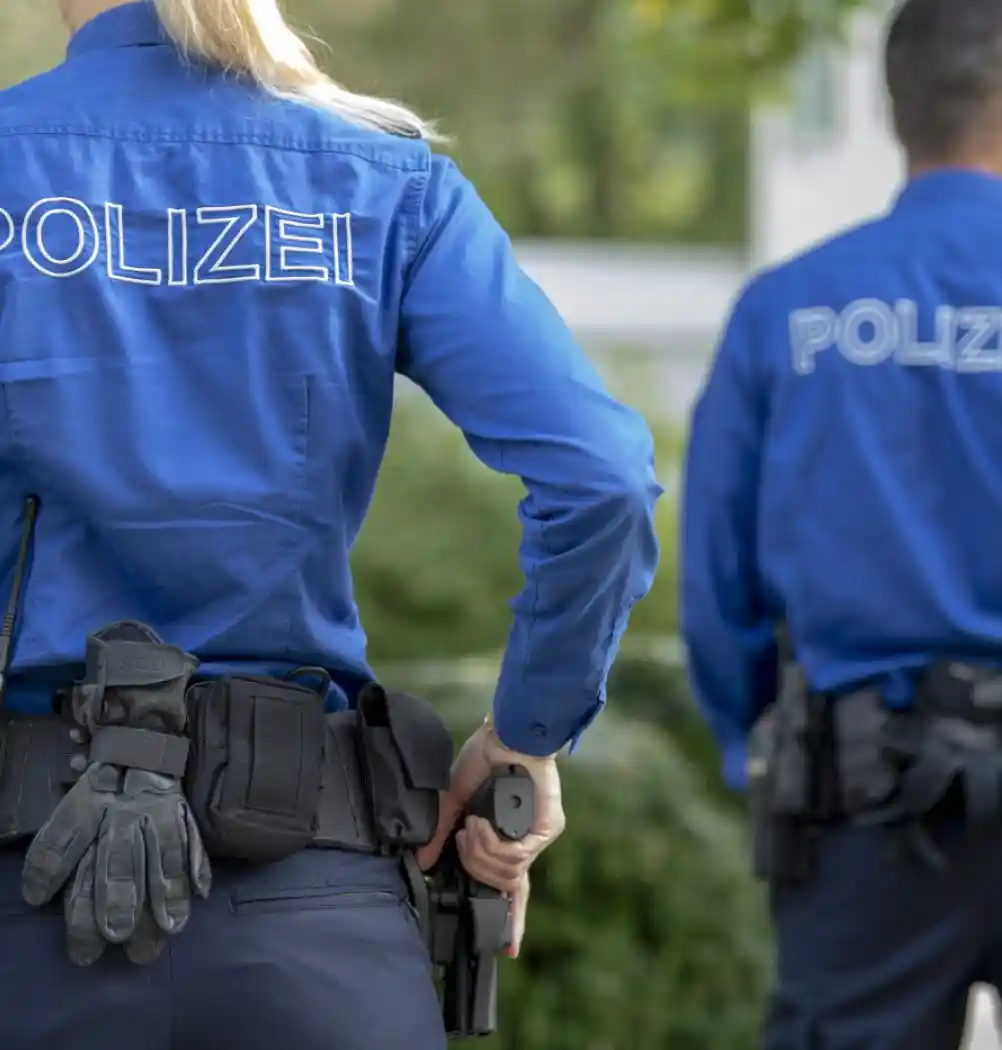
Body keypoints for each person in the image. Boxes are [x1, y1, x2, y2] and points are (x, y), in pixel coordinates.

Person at [0, 2, 662, 1048]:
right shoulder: (381, 177)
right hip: (316, 918)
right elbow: (603, 478)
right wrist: (525, 737)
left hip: (27, 896)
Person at [681, 1, 1002, 1047]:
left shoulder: (790, 308)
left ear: (896, 107)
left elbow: (716, 583)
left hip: (864, 802)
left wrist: (759, 747)